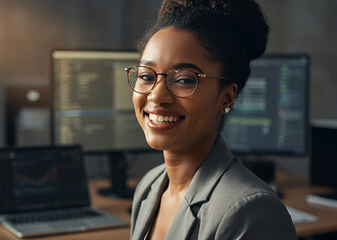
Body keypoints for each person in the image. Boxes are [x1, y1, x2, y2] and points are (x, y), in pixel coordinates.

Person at [127, 0, 298, 239]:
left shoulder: (252, 211)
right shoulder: (149, 187)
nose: (156, 95)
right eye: (146, 75)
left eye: (185, 79)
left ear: (226, 98)